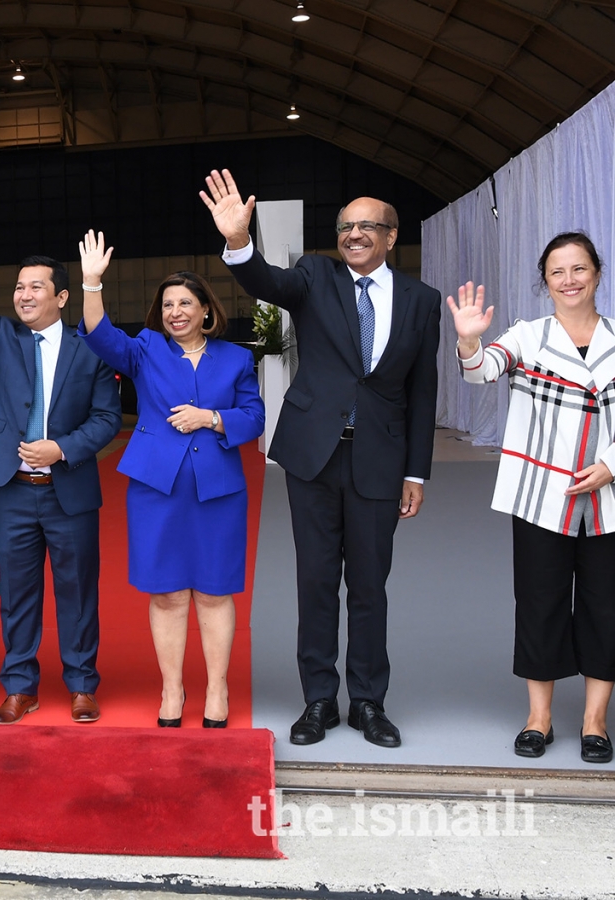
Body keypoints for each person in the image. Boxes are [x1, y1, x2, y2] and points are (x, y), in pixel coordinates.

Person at [200, 170, 441, 748]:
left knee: (369, 585)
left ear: (391, 235)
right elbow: (264, 280)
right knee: (314, 580)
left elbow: (423, 389)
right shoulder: (315, 274)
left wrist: (416, 470)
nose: (354, 234)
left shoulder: (421, 301)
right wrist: (238, 241)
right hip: (314, 456)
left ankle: (367, 702)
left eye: (367, 226)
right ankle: (317, 700)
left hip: (380, 462)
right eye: (346, 226)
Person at [0, 226, 123, 724]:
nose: (24, 294)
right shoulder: (2, 339)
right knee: (17, 594)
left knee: (78, 593)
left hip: (68, 489)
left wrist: (62, 448)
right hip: (12, 491)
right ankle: (19, 686)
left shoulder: (91, 347)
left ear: (62, 295)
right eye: (19, 287)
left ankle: (81, 685)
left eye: (35, 286)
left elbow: (107, 419)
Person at [75, 231, 264, 728]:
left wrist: (211, 418)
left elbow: (254, 416)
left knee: (215, 591)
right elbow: (99, 334)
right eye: (167, 305)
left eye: (185, 303)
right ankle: (172, 689)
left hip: (218, 489)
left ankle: (217, 688)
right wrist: (91, 283)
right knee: (167, 593)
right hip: (157, 489)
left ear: (206, 309)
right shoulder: (145, 349)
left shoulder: (236, 359)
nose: (175, 311)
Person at [449, 232, 615, 765]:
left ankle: (594, 721)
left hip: (609, 498)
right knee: (540, 602)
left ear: (597, 273)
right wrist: (470, 343)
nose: (569, 280)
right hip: (543, 495)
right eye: (557, 272)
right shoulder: (528, 336)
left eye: (579, 268)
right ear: (544, 282)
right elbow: (482, 371)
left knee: (605, 607)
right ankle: (538, 718)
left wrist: (611, 466)